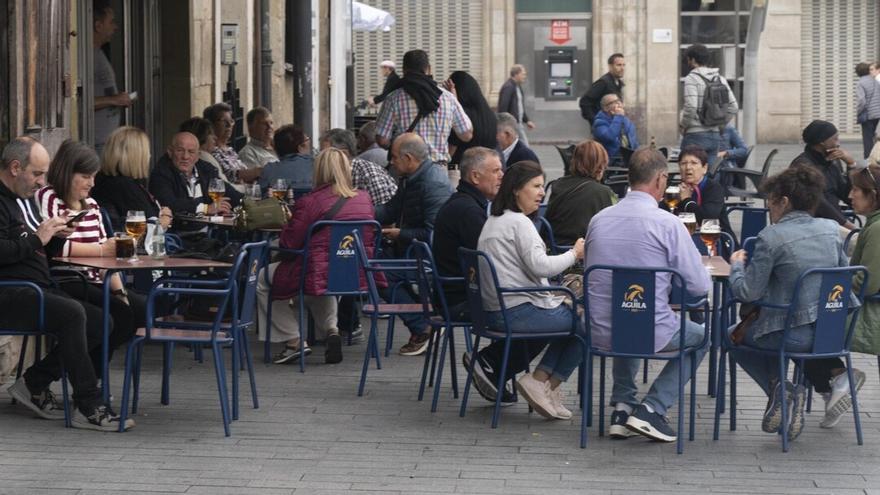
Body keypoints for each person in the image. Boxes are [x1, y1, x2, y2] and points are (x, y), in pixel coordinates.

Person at [0, 136, 133, 431]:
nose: (40, 182)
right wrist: (39, 237)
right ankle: (88, 405)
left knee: (103, 322)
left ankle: (34, 383)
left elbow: (34, 249)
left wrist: (55, 237)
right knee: (73, 313)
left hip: (36, 285)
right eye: (36, 174)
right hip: (10, 291)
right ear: (14, 168)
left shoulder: (23, 201)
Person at [585, 147, 711, 442]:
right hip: (648, 331)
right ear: (661, 179)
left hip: (599, 330)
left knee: (628, 311)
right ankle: (652, 409)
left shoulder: (599, 219)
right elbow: (698, 287)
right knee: (705, 336)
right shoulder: (667, 223)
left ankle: (622, 405)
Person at [727, 166, 862, 440]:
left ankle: (781, 390)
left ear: (784, 201)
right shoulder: (829, 229)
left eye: (771, 200)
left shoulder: (771, 236)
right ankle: (819, 380)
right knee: (789, 327)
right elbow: (842, 275)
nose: (769, 207)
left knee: (731, 335)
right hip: (832, 334)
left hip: (791, 334)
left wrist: (736, 267)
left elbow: (747, 292)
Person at [477, 160, 585, 420]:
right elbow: (541, 266)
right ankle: (543, 384)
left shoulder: (494, 219)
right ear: (516, 190)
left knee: (576, 318)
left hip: (498, 308)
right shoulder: (519, 222)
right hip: (516, 310)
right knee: (590, 324)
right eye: (535, 186)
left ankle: (543, 384)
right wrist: (575, 253)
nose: (541, 193)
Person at [35, 140, 146, 382]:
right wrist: (101, 250)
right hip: (66, 279)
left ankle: (90, 380)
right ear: (67, 173)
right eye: (85, 176)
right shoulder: (49, 198)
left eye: (93, 177)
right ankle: (84, 382)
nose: (92, 183)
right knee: (114, 318)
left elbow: (109, 256)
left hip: (97, 279)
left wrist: (120, 291)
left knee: (138, 309)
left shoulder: (93, 206)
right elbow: (56, 248)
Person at [257, 148, 376, 365]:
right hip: (354, 272)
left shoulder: (311, 201)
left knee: (263, 279)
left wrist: (286, 226)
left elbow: (290, 244)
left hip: (315, 269)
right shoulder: (365, 199)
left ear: (318, 171)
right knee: (326, 274)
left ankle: (293, 340)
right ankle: (331, 330)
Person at [433, 147, 530, 405]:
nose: (502, 176)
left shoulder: (468, 205)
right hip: (461, 300)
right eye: (496, 170)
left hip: (461, 293)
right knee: (537, 317)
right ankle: (490, 363)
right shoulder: (468, 211)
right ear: (475, 177)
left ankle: (493, 367)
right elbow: (495, 261)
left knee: (535, 310)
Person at [375, 133, 452, 355]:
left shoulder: (432, 183)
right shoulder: (412, 178)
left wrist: (401, 234)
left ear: (408, 158)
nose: (391, 162)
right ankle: (423, 323)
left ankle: (423, 327)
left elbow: (434, 234)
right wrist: (357, 210)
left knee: (377, 272)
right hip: (410, 250)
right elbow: (391, 209)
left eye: (395, 157)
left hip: (426, 258)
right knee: (371, 264)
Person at [375, 49, 473, 167]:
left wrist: (398, 145)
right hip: (437, 170)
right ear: (429, 69)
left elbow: (382, 140)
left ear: (404, 70)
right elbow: (466, 134)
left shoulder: (393, 98)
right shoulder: (448, 98)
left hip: (405, 170)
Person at [842, 164, 880, 428]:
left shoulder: (877, 229)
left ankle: (834, 379)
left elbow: (868, 282)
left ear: (873, 195)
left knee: (807, 324)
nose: (850, 195)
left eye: (856, 190)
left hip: (870, 311)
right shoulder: (873, 224)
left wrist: (835, 291)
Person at [91, 126, 173, 232]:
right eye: (146, 151)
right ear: (135, 155)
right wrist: (165, 218)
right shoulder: (123, 185)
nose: (149, 155)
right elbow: (150, 226)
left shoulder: (105, 179)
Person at [148, 132, 243, 220]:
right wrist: (206, 209)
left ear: (198, 155)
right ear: (170, 152)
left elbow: (231, 194)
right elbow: (169, 204)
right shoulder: (161, 174)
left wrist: (249, 205)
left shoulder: (206, 170)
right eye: (180, 150)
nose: (185, 157)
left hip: (209, 232)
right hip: (177, 234)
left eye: (191, 152)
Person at [545, 140, 617, 246]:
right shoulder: (603, 192)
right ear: (600, 165)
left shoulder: (558, 184)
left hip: (555, 247)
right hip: (585, 251)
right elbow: (611, 228)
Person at [789, 120, 857, 230]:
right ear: (822, 142)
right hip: (812, 225)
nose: (838, 143)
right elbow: (819, 202)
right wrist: (847, 225)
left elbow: (847, 195)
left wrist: (851, 165)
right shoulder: (802, 165)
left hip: (835, 223)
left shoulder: (833, 162)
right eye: (835, 139)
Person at [680, 44, 738, 165]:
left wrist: (683, 125)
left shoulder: (692, 78)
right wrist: (720, 125)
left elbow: (691, 106)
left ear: (693, 59)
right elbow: (734, 107)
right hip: (714, 135)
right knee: (710, 175)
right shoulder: (720, 79)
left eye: (688, 59)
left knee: (691, 175)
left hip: (695, 136)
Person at [666, 146, 735, 244]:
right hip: (679, 242)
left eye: (694, 163)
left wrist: (686, 200)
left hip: (715, 241)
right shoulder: (674, 191)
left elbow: (707, 217)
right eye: (683, 163)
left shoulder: (713, 188)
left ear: (704, 168)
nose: (688, 167)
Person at [320, 128, 397, 207]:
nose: (319, 159)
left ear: (344, 154)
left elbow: (383, 214)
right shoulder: (329, 174)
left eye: (325, 154)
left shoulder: (369, 174)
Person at [92, 0, 132, 153]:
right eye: (111, 22)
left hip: (106, 141)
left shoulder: (98, 53)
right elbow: (77, 102)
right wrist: (114, 100)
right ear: (98, 26)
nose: (115, 27)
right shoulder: (87, 58)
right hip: (96, 142)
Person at [446, 71, 498, 167]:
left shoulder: (461, 118)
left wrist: (453, 101)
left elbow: (450, 152)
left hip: (462, 170)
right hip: (485, 169)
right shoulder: (490, 116)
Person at [204, 102, 255, 183]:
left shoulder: (230, 151)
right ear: (211, 124)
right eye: (224, 121)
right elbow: (229, 176)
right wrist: (257, 172)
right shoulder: (210, 151)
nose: (229, 125)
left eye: (231, 121)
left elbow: (245, 173)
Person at [258, 124, 314, 193]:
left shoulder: (269, 170)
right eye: (307, 139)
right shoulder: (318, 166)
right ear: (301, 146)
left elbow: (260, 196)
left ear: (276, 149)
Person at [178, 116, 232, 185]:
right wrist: (245, 187)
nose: (215, 137)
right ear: (202, 136)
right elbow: (222, 186)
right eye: (211, 133)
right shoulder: (204, 156)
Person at [591, 94, 639, 165]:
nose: (619, 104)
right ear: (605, 108)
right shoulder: (599, 122)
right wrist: (618, 116)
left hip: (627, 159)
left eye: (619, 101)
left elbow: (633, 141)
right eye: (614, 102)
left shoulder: (625, 120)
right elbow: (609, 137)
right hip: (611, 161)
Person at [579, 53, 625, 125]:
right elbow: (584, 102)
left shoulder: (618, 83)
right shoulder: (603, 82)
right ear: (610, 66)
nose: (622, 68)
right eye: (619, 65)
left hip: (613, 124)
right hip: (604, 127)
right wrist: (595, 121)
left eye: (623, 65)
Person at [496, 65, 535, 146]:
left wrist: (527, 120)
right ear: (516, 74)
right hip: (513, 125)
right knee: (525, 146)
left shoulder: (517, 87)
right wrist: (506, 125)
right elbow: (503, 107)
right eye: (523, 74)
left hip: (517, 124)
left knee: (517, 147)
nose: (525, 76)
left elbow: (519, 107)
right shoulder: (509, 87)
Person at [237, 107, 278, 171]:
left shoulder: (281, 147)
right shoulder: (247, 154)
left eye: (271, 123)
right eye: (264, 123)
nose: (269, 127)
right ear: (251, 128)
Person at [856, 62, 880, 159]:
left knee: (867, 139)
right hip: (878, 114)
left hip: (868, 115)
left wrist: (858, 112)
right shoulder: (874, 81)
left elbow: (862, 101)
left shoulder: (861, 83)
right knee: (874, 138)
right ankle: (875, 157)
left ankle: (868, 161)